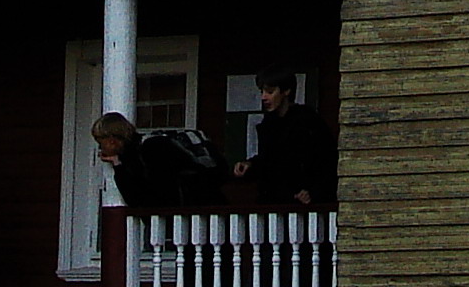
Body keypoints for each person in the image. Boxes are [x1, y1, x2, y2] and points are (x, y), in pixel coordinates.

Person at [233, 71, 337, 207]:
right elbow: (268, 161)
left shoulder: (308, 121)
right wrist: (249, 166)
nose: (264, 97)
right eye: (262, 92)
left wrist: (313, 192)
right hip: (274, 203)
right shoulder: (268, 124)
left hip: (306, 206)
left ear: (286, 91)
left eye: (270, 92)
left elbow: (327, 161)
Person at [90, 113, 221, 208]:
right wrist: (117, 164)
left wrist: (120, 167)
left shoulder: (152, 148)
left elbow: (145, 197)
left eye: (101, 143)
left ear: (112, 140)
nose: (101, 148)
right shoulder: (135, 153)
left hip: (189, 214)